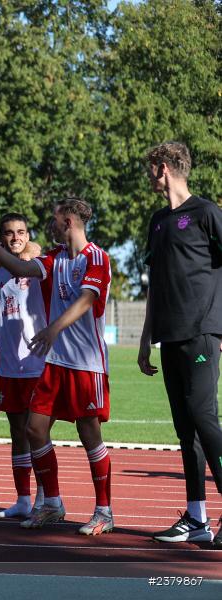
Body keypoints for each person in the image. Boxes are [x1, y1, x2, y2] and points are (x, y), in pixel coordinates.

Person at [0, 197, 114, 535]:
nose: (50, 225)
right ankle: (52, 503)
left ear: (69, 221)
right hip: (54, 363)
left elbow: (86, 299)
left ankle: (104, 512)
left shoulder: (97, 257)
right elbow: (22, 268)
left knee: (89, 434)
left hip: (86, 362)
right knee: (34, 429)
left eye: (55, 219)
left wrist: (53, 328)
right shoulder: (52, 259)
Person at [139, 141, 222, 546]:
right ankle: (197, 518)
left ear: (164, 168)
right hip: (168, 336)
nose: (147, 175)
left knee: (205, 419)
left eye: (150, 167)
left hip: (202, 331)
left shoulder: (207, 212)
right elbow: (155, 283)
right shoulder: (157, 221)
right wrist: (144, 339)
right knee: (185, 430)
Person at [0, 213, 47, 518]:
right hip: (8, 366)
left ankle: (44, 498)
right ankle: (23, 500)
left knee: (36, 432)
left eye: (21, 232)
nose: (16, 237)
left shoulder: (38, 264)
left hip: (36, 363)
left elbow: (37, 250)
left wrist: (32, 248)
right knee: (17, 433)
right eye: (9, 233)